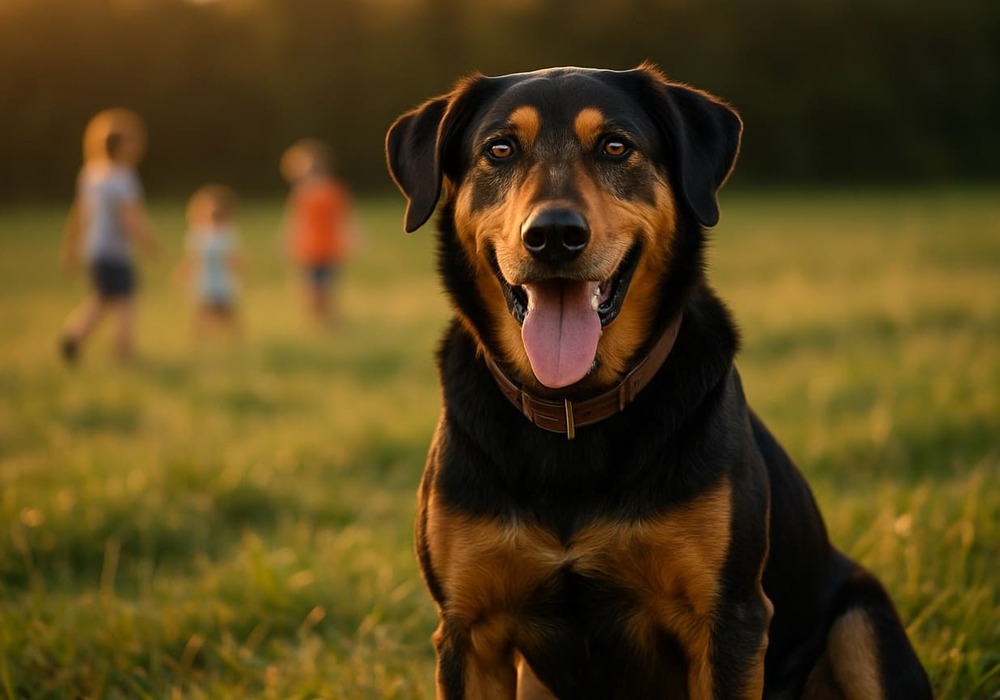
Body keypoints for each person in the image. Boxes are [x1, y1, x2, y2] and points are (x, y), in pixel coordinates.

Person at [59, 108, 157, 363]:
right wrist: (148, 241)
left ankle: (73, 337)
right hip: (115, 250)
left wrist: (72, 246)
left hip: (93, 249)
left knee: (101, 300)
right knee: (125, 302)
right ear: (122, 147)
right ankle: (124, 352)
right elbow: (130, 215)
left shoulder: (91, 174)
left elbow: (79, 213)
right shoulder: (123, 177)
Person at [279, 139, 356, 326]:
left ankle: (329, 320)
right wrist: (287, 240)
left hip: (329, 247)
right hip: (307, 248)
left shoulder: (334, 190)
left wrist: (352, 237)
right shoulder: (300, 193)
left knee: (327, 288)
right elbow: (295, 220)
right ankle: (316, 322)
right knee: (310, 289)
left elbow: (344, 217)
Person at [175, 185, 244, 339]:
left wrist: (240, 266)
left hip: (223, 279)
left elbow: (234, 256)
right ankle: (200, 341)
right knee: (202, 312)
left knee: (228, 312)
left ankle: (236, 340)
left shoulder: (227, 232)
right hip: (204, 280)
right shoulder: (197, 233)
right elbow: (192, 258)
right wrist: (183, 273)